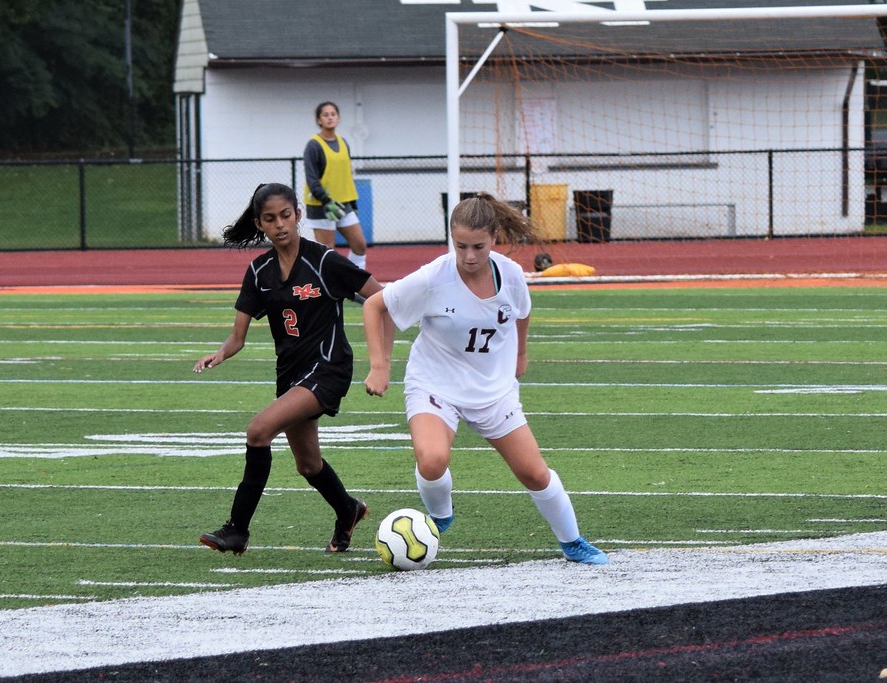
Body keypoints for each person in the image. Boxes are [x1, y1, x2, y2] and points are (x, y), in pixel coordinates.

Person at [361, 193, 609, 565]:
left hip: (494, 390)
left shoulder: (509, 274)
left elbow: (522, 311)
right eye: (461, 246)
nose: (470, 256)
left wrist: (521, 353)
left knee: (534, 473)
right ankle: (441, 518)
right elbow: (374, 304)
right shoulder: (433, 278)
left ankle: (573, 542)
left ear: (494, 238)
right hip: (435, 383)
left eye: (478, 246)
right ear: (451, 239)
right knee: (431, 461)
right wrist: (380, 366)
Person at [194, 182, 384, 555]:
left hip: (329, 368)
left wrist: (382, 359)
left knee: (258, 430)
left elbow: (380, 296)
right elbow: (238, 337)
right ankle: (348, 510)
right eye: (270, 219)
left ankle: (237, 530)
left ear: (298, 215)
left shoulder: (324, 260)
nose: (280, 224)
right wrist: (219, 353)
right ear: (259, 224)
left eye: (286, 215)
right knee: (308, 465)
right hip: (293, 375)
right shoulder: (259, 271)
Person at [303, 101, 368, 270]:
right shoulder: (314, 145)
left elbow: (346, 175)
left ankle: (355, 284)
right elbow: (312, 179)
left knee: (360, 245)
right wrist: (326, 200)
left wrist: (352, 202)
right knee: (327, 253)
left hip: (342, 204)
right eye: (325, 115)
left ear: (338, 118)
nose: (330, 117)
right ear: (319, 120)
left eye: (333, 114)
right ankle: (327, 291)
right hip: (322, 205)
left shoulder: (343, 142)